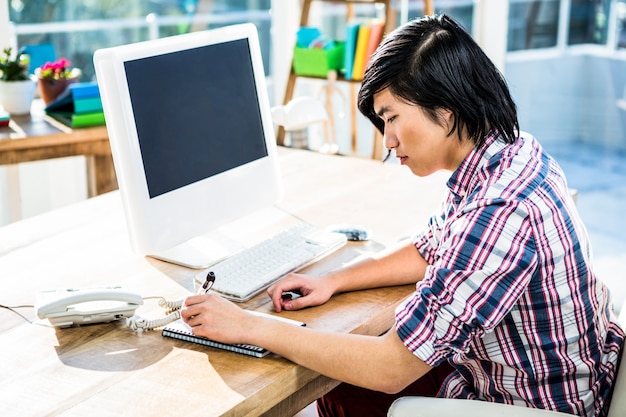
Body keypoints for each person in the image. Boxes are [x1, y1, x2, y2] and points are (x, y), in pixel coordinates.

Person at [181, 14, 624, 417]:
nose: (388, 141)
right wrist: (333, 280)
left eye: (391, 118)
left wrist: (251, 326)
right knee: (340, 373)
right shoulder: (508, 153)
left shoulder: (501, 210)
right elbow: (432, 250)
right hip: (558, 378)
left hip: (533, 405)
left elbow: (392, 367)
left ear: (445, 107)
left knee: (342, 384)